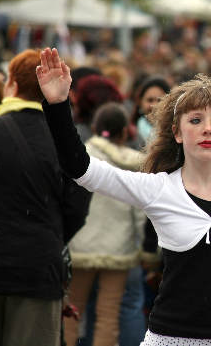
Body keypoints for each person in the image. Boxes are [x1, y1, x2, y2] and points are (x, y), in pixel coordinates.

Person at [36, 48, 211, 346]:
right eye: (195, 120)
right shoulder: (158, 188)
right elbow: (81, 169)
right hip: (166, 339)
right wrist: (57, 104)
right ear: (177, 132)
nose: (208, 128)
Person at [0, 49, 91, 346]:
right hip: (37, 271)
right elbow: (77, 208)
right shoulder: (68, 145)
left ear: (11, 84)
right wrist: (46, 232)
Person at [64, 102, 146, 346]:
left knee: (72, 311)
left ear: (95, 127)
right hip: (119, 248)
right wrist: (144, 249)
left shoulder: (80, 158)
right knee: (108, 315)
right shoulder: (134, 164)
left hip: (81, 246)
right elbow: (141, 213)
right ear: (124, 132)